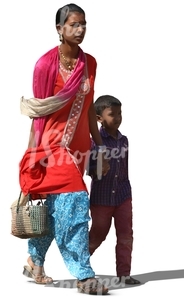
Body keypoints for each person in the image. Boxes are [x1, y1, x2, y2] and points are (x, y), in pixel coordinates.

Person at [19, 3, 110, 295]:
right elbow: (39, 112)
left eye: (83, 24)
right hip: (50, 146)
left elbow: (88, 110)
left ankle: (34, 261)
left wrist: (100, 147)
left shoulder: (90, 63)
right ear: (59, 29)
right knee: (76, 203)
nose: (80, 29)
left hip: (78, 148)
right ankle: (84, 274)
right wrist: (32, 155)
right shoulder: (44, 64)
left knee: (57, 209)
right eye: (73, 24)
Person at [87, 95, 141, 285]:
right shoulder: (95, 141)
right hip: (101, 198)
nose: (117, 118)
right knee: (98, 234)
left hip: (123, 195)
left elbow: (124, 168)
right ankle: (81, 267)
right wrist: (97, 168)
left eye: (120, 113)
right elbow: (88, 170)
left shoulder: (124, 141)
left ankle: (124, 275)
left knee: (126, 235)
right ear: (99, 118)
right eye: (112, 114)